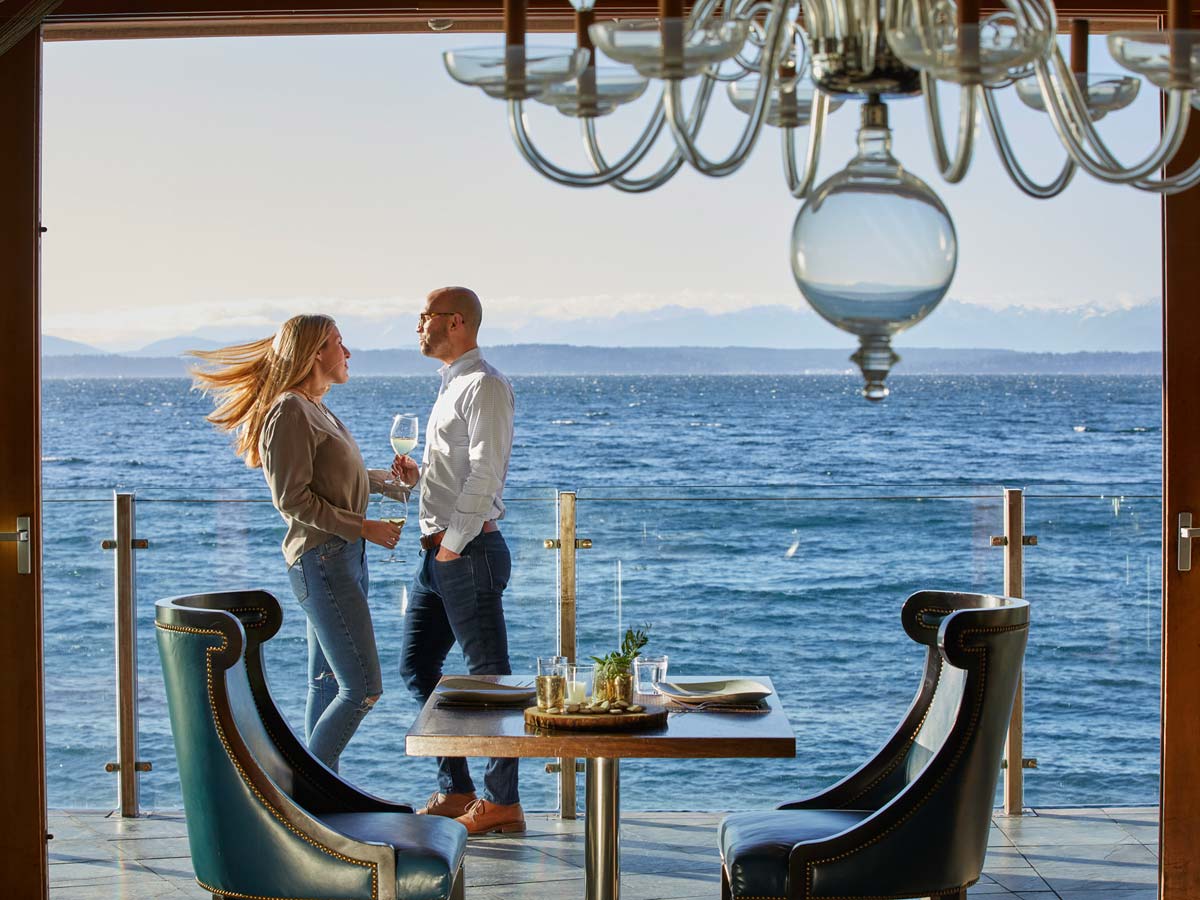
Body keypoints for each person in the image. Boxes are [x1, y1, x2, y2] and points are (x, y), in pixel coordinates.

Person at [190, 314, 403, 772]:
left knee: (327, 683)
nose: (348, 353)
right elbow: (292, 499)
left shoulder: (314, 407)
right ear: (314, 354)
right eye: (339, 343)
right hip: (323, 560)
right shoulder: (289, 410)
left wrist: (391, 482)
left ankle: (317, 803)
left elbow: (335, 479)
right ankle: (308, 793)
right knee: (363, 687)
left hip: (342, 558)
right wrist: (364, 527)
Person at [393, 286, 522, 835]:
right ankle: (457, 789)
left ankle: (501, 803)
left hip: (464, 551)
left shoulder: (485, 385)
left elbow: (486, 474)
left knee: (488, 679)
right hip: (440, 552)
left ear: (457, 322)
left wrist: (454, 543)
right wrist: (416, 483)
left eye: (425, 317)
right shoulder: (451, 385)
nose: (417, 326)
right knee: (419, 667)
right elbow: (455, 476)